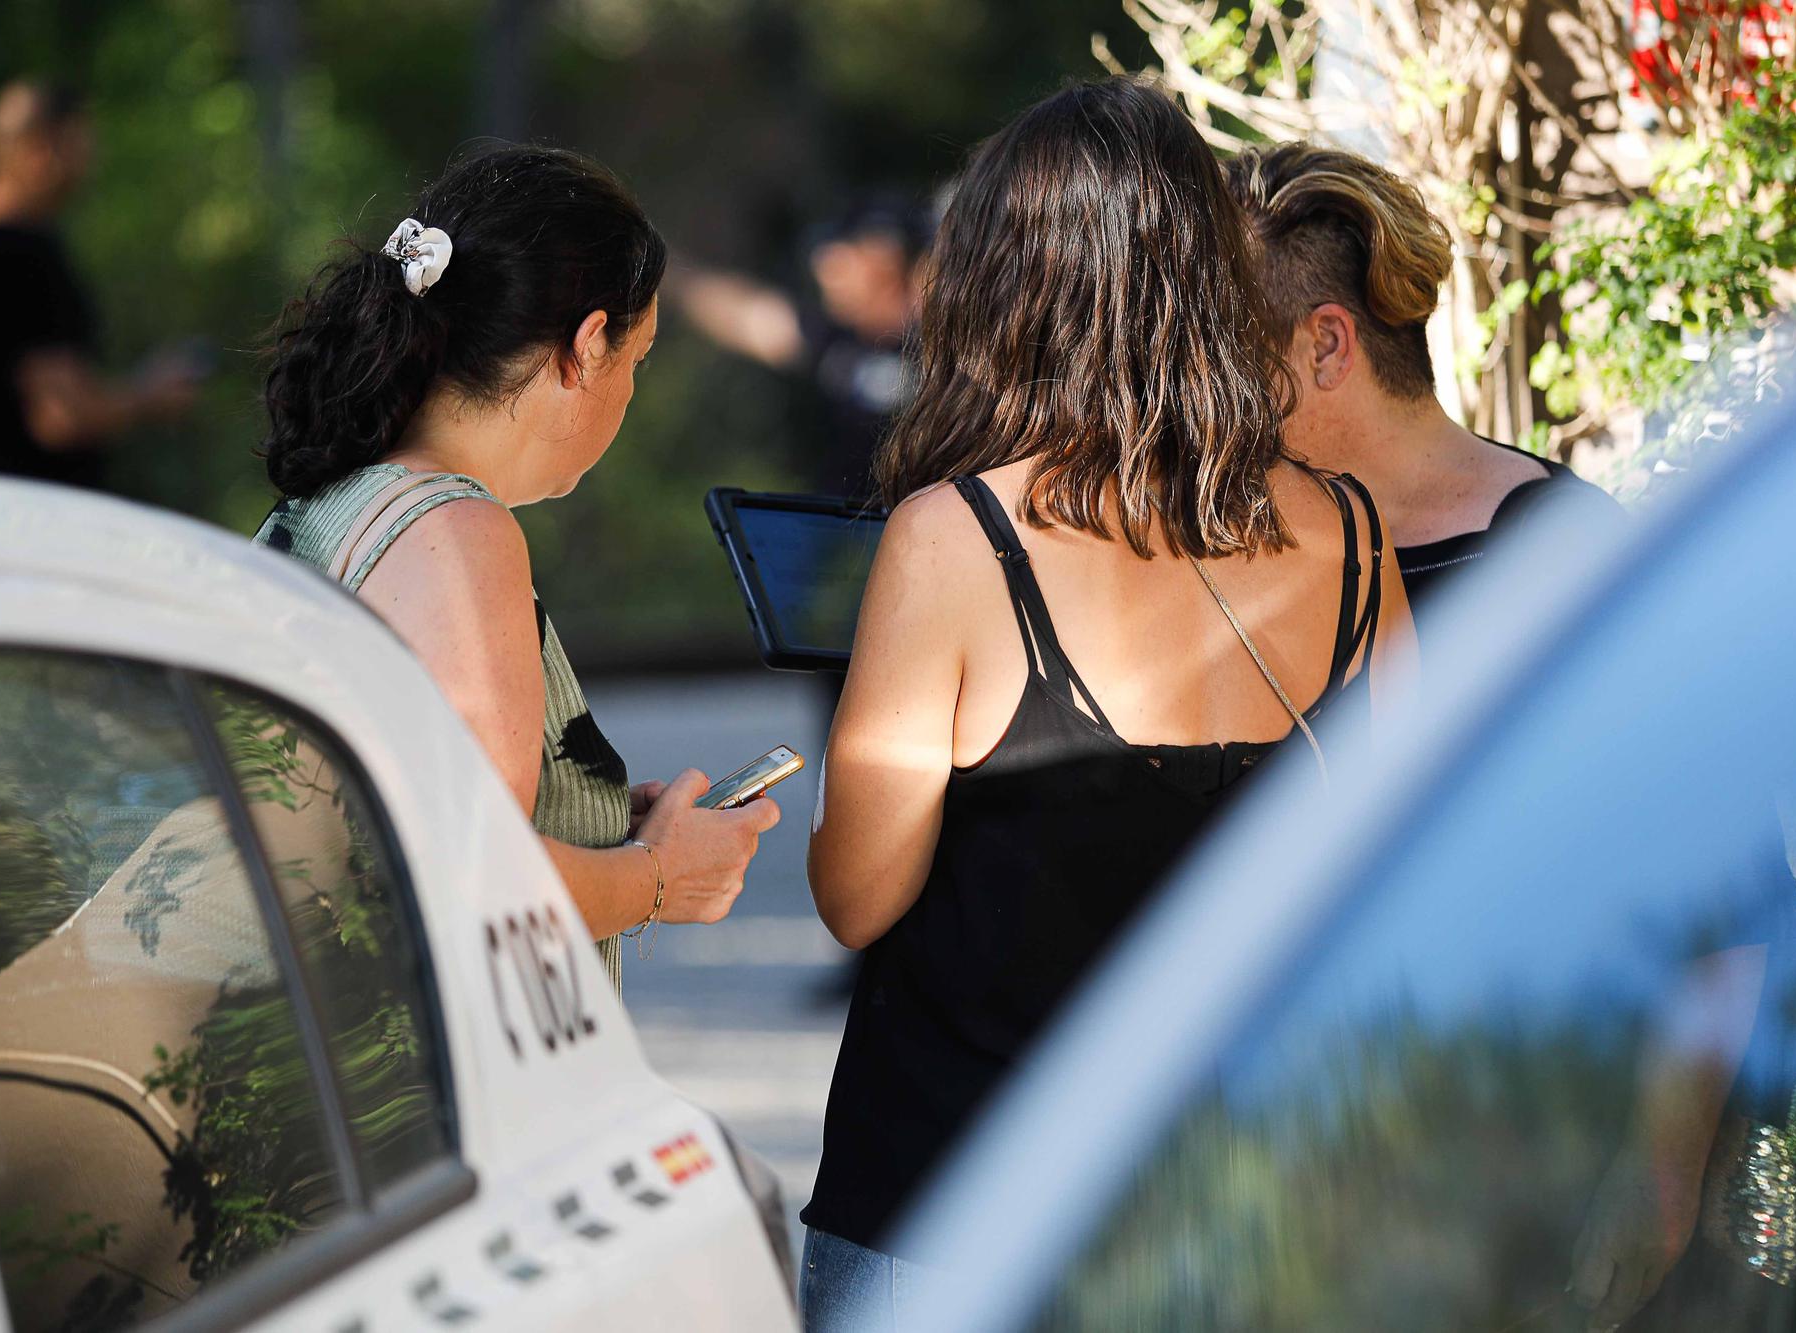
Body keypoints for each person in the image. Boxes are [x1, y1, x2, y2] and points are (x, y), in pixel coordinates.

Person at [797, 79, 1414, 1327]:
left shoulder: (956, 537)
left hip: (957, 1214)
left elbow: (857, 897)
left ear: (1000, 287)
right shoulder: (1350, 536)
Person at [252, 145, 779, 992]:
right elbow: (470, 884)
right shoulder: (459, 533)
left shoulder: (346, 499)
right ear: (586, 345)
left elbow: (393, 822)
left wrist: (592, 819)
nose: (632, 393)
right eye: (635, 361)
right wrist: (658, 878)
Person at [1228, 143, 1624, 638]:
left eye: (1227, 352)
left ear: (1326, 347)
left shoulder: (1566, 546)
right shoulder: (1264, 556)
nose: (1202, 388)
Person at [0, 80, 201, 490]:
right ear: (40, 150)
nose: (91, 162)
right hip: (33, 524)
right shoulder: (23, 255)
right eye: (81, 145)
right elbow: (59, 416)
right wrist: (149, 395)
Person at [669, 194, 928, 501]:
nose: (825, 267)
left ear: (886, 253)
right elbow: (748, 318)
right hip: (854, 514)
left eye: (845, 251)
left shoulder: (953, 331)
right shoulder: (835, 341)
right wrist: (657, 269)